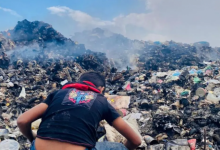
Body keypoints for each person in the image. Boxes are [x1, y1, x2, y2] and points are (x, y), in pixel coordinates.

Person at [17, 72, 141, 150]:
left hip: (39, 148)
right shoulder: (102, 101)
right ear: (101, 88)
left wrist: (32, 138)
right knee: (118, 147)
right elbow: (135, 141)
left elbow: (22, 121)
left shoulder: (58, 94)